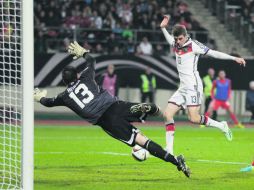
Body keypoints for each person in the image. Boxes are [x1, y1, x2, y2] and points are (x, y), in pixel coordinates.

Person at [34, 41, 190, 177]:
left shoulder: (64, 97)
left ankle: (176, 161)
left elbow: (49, 102)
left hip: (107, 121)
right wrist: (83, 53)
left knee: (142, 141)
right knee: (136, 113)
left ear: (64, 80)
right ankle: (144, 109)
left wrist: (39, 97)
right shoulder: (85, 77)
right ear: (77, 75)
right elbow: (92, 61)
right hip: (115, 105)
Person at [160, 15, 246, 154]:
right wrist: (163, 28)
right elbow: (170, 40)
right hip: (183, 87)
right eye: (176, 39)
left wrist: (234, 58)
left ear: (186, 36)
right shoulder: (176, 43)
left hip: (193, 86)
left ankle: (221, 125)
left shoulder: (194, 45)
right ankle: (169, 149)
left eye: (180, 39)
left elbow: (214, 53)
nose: (177, 41)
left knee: (193, 118)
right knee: (167, 114)